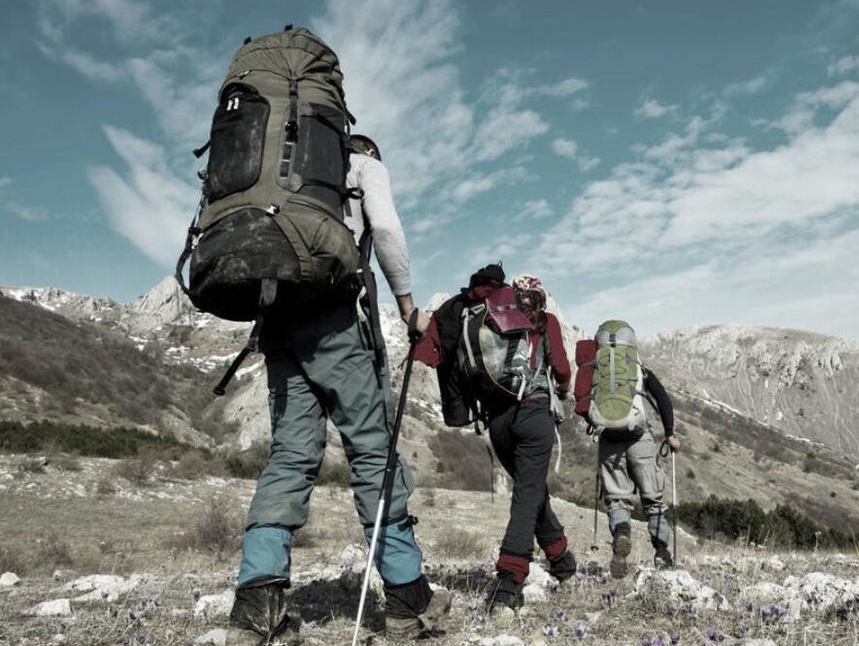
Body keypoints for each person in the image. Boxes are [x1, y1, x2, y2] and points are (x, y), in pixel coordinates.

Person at [228, 134, 449, 643]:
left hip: (277, 319)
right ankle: (406, 598)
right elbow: (387, 230)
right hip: (335, 320)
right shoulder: (361, 165)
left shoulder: (280, 174)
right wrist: (408, 306)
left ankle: (256, 606)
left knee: (289, 456)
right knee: (373, 450)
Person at [419, 268, 577, 624]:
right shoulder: (545, 320)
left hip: (498, 422)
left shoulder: (493, 318)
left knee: (531, 489)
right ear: (541, 298)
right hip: (534, 412)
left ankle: (562, 561)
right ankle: (509, 579)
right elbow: (562, 368)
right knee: (528, 493)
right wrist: (563, 391)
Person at [589, 358, 680, 578]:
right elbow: (663, 400)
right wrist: (669, 434)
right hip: (641, 440)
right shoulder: (640, 370)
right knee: (653, 499)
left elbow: (582, 401)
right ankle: (661, 552)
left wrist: (593, 423)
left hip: (610, 441)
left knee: (618, 500)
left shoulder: (597, 369)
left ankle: (622, 534)